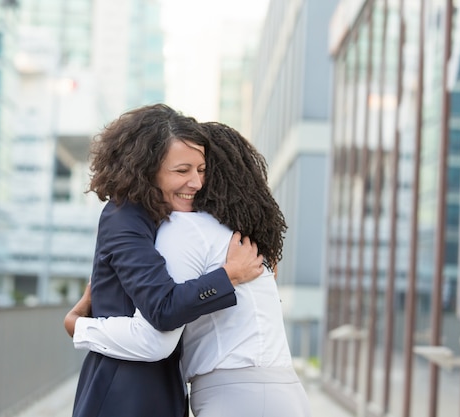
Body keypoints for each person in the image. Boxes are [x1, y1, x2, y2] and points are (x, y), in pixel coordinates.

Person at [66, 122, 312, 417]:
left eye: (201, 170)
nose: (195, 182)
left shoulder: (188, 229)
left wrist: (78, 326)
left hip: (233, 394)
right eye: (183, 170)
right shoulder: (239, 237)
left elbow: (156, 338)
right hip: (281, 390)